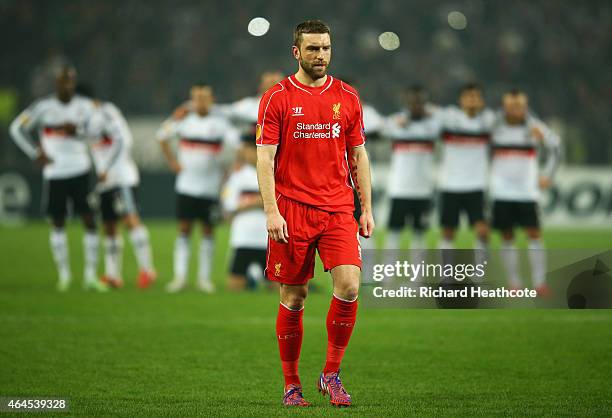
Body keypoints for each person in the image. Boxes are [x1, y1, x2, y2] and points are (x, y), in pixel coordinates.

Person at [256, 20, 375, 407]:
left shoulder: (348, 96)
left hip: (338, 208)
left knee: (350, 286)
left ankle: (331, 374)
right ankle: (292, 384)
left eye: (325, 48)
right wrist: (272, 212)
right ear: (296, 52)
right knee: (294, 296)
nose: (320, 55)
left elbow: (358, 155)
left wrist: (366, 208)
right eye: (312, 49)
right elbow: (264, 158)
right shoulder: (277, 98)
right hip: (291, 210)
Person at [9, 65, 107, 292]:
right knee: (58, 222)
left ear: (74, 82)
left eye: (71, 81)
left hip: (81, 170)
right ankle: (64, 276)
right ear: (56, 84)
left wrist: (78, 132)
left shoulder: (85, 106)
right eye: (63, 81)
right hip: (55, 172)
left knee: (90, 221)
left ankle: (90, 276)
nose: (67, 85)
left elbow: (98, 134)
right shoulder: (44, 107)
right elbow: (16, 128)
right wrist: (35, 152)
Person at [157, 83, 239, 293]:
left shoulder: (220, 124)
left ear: (212, 100)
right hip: (187, 186)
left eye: (204, 97)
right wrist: (172, 162)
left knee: (208, 232)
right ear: (192, 99)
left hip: (211, 188)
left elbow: (237, 146)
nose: (200, 101)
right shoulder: (184, 120)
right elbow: (162, 136)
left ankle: (204, 279)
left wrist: (230, 167)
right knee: (183, 230)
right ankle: (180, 278)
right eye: (196, 97)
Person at [76, 84, 156, 289]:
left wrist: (107, 167)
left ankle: (147, 270)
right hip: (104, 182)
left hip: (122, 177)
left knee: (130, 219)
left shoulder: (107, 112)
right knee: (109, 226)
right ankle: (113, 275)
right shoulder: (83, 120)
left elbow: (123, 140)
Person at [491, 90, 560, 296]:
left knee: (534, 234)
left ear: (525, 107)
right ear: (504, 107)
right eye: (511, 106)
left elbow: (556, 147)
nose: (515, 110)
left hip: (527, 192)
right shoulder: (494, 127)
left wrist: (547, 174)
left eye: (519, 106)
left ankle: (539, 283)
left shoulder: (535, 127)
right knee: (507, 236)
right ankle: (514, 283)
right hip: (501, 192)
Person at [436, 83, 495, 262]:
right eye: (468, 97)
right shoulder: (449, 118)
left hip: (476, 185)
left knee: (483, 232)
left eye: (476, 97)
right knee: (448, 233)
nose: (472, 101)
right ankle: (446, 277)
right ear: (460, 100)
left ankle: (480, 278)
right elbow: (427, 113)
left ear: (482, 101)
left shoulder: (488, 121)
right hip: (450, 185)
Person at [383, 85, 440, 263]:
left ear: (425, 103)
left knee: (419, 237)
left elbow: (447, 118)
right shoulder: (396, 122)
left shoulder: (434, 124)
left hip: (422, 191)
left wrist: (433, 112)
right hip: (399, 190)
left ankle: (417, 281)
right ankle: (387, 279)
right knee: (393, 235)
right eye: (412, 101)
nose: (416, 105)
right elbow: (382, 127)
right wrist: (398, 121)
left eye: (419, 101)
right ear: (406, 103)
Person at [221, 138, 268, 291]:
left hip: (268, 238)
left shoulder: (272, 172)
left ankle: (253, 277)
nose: (247, 154)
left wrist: (248, 203)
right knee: (234, 286)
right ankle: (252, 278)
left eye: (250, 150)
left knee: (278, 287)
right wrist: (258, 201)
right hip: (243, 237)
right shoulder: (238, 176)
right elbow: (229, 204)